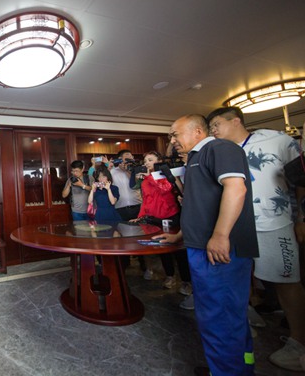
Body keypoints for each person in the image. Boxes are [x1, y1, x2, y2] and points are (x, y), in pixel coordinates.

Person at [157, 114, 258, 375]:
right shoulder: (195, 159)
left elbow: (236, 189)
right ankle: (239, 368)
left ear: (198, 132)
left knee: (218, 318)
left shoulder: (219, 148)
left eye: (175, 134)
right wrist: (180, 235)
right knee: (228, 316)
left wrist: (221, 235)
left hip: (218, 249)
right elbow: (199, 204)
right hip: (203, 245)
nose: (172, 140)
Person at [207, 106, 305, 372]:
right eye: (210, 127)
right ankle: (246, 322)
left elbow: (301, 180)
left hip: (275, 222)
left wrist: (301, 217)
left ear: (236, 121)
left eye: (216, 125)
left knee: (286, 281)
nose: (213, 131)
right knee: (239, 276)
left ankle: (299, 342)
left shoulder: (276, 140)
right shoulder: (219, 151)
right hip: (237, 226)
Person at [131, 151, 191, 296]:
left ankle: (186, 281)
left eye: (150, 160)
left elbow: (165, 189)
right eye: (145, 160)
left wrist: (151, 177)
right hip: (153, 218)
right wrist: (140, 217)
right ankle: (170, 276)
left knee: (179, 250)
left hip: (170, 215)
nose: (147, 163)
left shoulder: (165, 175)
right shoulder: (145, 180)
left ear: (159, 161)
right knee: (162, 248)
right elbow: (145, 200)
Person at [110, 150, 142, 221]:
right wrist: (109, 168)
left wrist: (128, 170)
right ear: (120, 159)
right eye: (127, 159)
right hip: (120, 208)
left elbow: (137, 185)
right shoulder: (112, 172)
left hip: (137, 206)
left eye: (131, 159)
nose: (129, 161)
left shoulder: (137, 170)